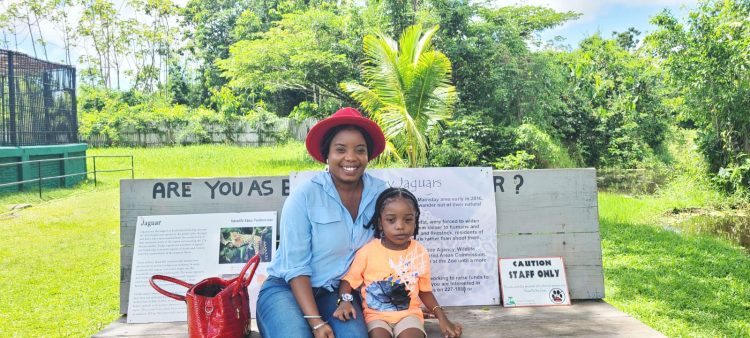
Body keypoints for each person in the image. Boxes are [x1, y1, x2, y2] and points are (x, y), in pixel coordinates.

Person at [257, 107, 389, 338]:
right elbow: (296, 267)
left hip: (337, 293)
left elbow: (390, 250)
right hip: (286, 288)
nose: (351, 158)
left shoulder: (380, 194)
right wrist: (316, 323)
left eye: (360, 150)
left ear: (368, 155)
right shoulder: (305, 196)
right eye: (340, 149)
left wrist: (404, 302)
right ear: (327, 154)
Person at [333, 188, 463, 338]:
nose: (400, 226)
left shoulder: (419, 252)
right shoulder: (367, 252)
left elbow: (424, 291)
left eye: (408, 220)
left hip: (409, 316)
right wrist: (344, 301)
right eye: (391, 220)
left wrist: (443, 318)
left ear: (416, 221)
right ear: (380, 223)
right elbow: (348, 282)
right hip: (376, 317)